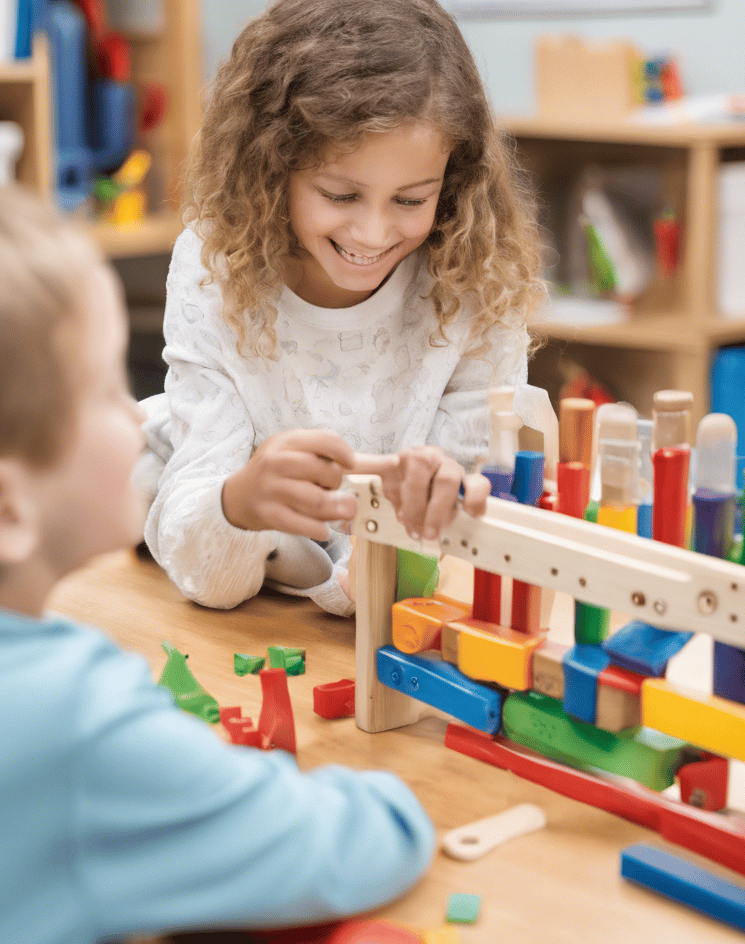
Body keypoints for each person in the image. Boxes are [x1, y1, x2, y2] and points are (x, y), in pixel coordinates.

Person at [0, 185, 434, 943]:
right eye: (104, 389)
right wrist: (401, 800)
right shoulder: (75, 719)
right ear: (9, 511)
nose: (139, 414)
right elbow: (357, 842)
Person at [137, 0, 545, 616]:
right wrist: (239, 501)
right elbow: (208, 578)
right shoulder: (216, 264)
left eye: (410, 200)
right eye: (341, 195)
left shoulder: (474, 275)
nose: (374, 233)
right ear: (273, 166)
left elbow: (446, 549)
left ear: (452, 180)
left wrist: (404, 543)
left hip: (375, 587)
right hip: (230, 552)